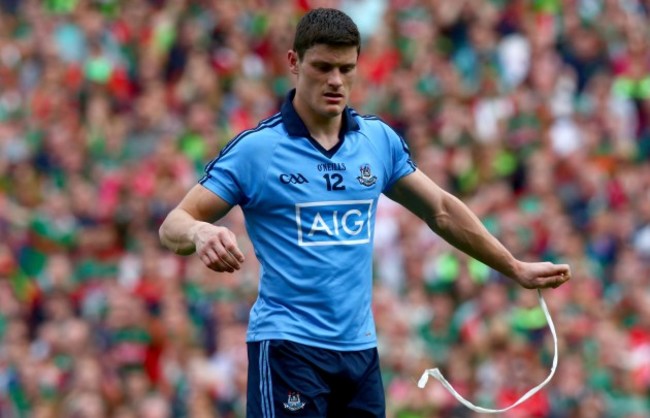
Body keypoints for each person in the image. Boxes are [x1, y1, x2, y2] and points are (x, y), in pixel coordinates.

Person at [158, 7, 571, 418]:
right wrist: (200, 234)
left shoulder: (377, 141)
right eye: (322, 67)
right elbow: (172, 224)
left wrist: (513, 266)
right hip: (288, 348)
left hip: (359, 353)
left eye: (346, 68)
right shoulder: (257, 150)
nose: (335, 80)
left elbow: (441, 210)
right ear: (294, 63)